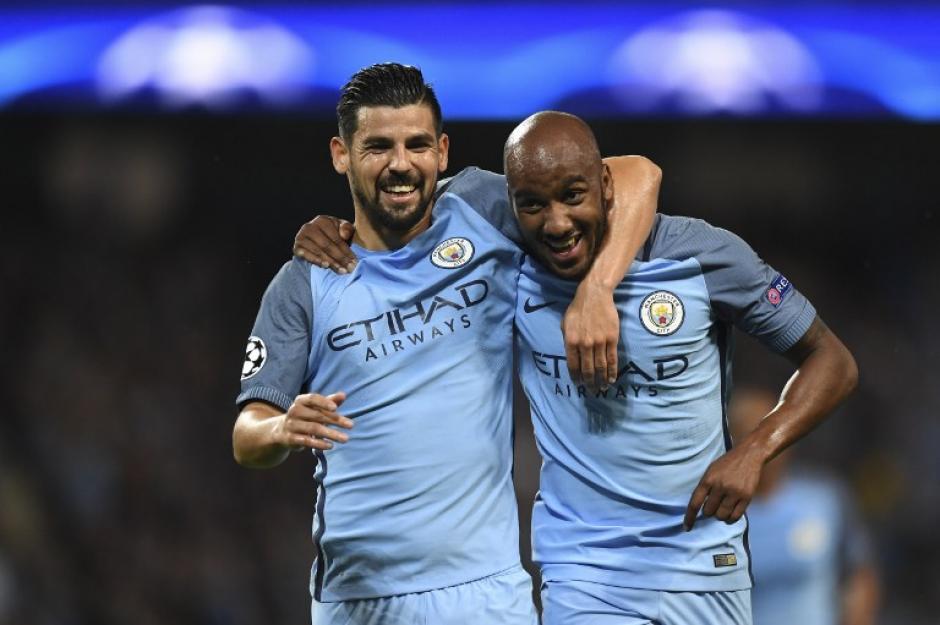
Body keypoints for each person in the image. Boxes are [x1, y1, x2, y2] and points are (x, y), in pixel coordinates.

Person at [296, 111, 858, 625]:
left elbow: (832, 360)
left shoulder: (704, 256)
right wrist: (333, 227)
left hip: (703, 560)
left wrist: (756, 449)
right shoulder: (504, 247)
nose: (557, 224)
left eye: (573, 196)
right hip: (583, 569)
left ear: (606, 185)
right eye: (534, 205)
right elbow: (396, 213)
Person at [232, 64, 659, 625]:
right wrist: (282, 428)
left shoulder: (481, 209)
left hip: (484, 593)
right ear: (342, 154)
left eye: (416, 144)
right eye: (378, 146)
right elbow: (246, 435)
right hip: (357, 600)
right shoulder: (305, 281)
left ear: (442, 151)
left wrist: (598, 290)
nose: (400, 163)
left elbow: (637, 174)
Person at [730, 386, 881, 625]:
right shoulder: (717, 519)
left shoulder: (823, 500)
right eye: (747, 437)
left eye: (768, 435)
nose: (760, 449)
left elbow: (857, 574)